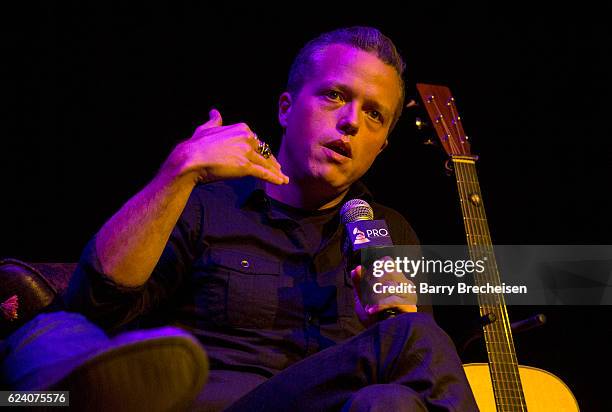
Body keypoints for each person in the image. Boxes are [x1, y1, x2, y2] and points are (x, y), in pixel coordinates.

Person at [4, 27, 478, 411]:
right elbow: (96, 304)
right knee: (412, 338)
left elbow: (419, 381)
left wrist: (398, 317)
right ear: (286, 108)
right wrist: (178, 172)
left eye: (374, 114)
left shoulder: (391, 233)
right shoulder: (210, 204)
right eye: (335, 95)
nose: (352, 121)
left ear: (382, 147)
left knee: (390, 399)